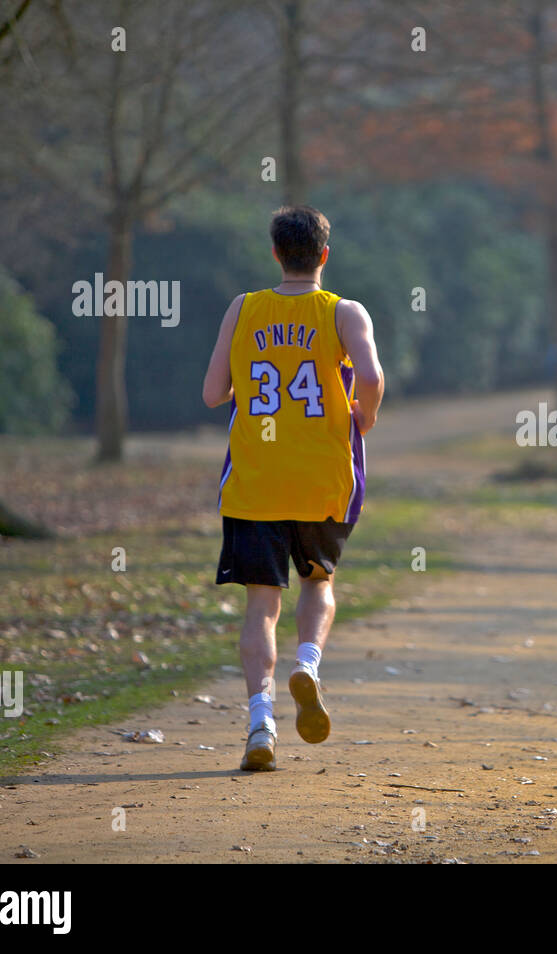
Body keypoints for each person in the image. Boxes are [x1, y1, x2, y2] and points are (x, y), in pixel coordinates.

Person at [201, 205, 384, 771]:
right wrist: (362, 417)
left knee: (261, 604)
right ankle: (307, 663)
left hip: (256, 481)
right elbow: (373, 378)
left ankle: (261, 723)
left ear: (276, 253)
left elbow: (213, 394)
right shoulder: (344, 312)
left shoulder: (244, 307)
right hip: (323, 477)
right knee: (319, 583)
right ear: (324, 255)